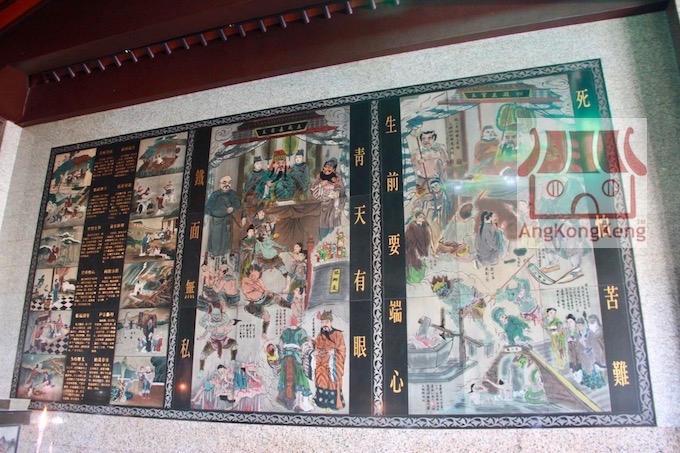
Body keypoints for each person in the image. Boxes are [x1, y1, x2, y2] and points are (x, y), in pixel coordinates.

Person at [276, 316, 314, 412]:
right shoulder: (286, 331)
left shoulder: (301, 331)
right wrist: (281, 353)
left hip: (297, 358)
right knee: (286, 378)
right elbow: (280, 344)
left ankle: (299, 403)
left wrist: (307, 349)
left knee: (299, 379)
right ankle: (286, 399)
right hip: (286, 357)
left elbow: (305, 346)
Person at [313, 310, 346, 411]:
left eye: (326, 322)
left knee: (332, 383)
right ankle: (321, 403)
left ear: (331, 322)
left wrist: (334, 352)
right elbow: (316, 346)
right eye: (322, 322)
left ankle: (332, 405)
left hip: (332, 365)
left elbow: (342, 350)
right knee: (321, 382)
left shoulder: (338, 334)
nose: (324, 324)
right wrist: (315, 351)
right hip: (321, 365)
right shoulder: (320, 335)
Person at [205, 175, 241, 258]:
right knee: (216, 237)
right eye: (224, 182)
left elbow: (237, 203)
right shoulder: (215, 194)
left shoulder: (232, 194)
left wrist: (232, 208)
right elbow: (208, 207)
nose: (226, 185)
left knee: (226, 237)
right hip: (216, 219)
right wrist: (210, 214)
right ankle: (215, 254)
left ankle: (225, 255)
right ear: (220, 184)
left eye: (229, 183)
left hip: (227, 219)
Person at [311, 158, 345, 240]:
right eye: (325, 167)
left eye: (329, 168)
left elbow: (342, 189)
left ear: (333, 169)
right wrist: (321, 184)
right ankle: (323, 241)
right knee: (323, 223)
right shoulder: (320, 176)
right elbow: (313, 188)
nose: (326, 169)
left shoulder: (337, 177)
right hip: (324, 203)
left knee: (333, 222)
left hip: (334, 204)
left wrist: (337, 193)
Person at [405, 209, 431, 284]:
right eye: (420, 216)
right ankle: (412, 279)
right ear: (416, 217)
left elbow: (427, 238)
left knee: (422, 263)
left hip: (423, 248)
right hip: (414, 248)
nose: (422, 218)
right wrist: (414, 248)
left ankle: (420, 278)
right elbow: (408, 238)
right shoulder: (412, 226)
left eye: (423, 217)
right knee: (413, 262)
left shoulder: (425, 226)